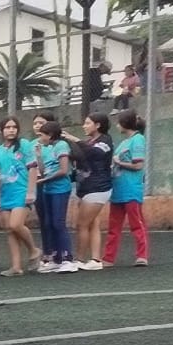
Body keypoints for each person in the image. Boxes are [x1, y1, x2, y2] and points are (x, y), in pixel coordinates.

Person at [0, 116, 43, 277]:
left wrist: (31, 191)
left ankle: (33, 250)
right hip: (6, 194)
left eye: (14, 127)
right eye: (8, 127)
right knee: (9, 229)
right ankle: (16, 266)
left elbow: (32, 168)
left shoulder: (24, 145)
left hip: (21, 191)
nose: (11, 130)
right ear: (1, 130)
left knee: (16, 224)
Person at [67, 112, 114, 270]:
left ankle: (79, 260)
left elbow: (96, 153)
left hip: (98, 188)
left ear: (98, 125)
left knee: (82, 224)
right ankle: (95, 259)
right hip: (85, 188)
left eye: (88, 123)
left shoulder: (105, 140)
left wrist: (75, 140)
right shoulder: (89, 142)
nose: (84, 126)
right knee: (93, 224)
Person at [104, 109, 150, 267]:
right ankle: (108, 258)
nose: (117, 125)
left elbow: (138, 165)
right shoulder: (124, 143)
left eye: (119, 122)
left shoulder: (138, 139)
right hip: (118, 190)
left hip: (131, 190)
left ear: (125, 123)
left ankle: (142, 255)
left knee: (136, 224)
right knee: (113, 227)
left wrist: (119, 162)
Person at [34, 120, 80, 273]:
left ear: (50, 135)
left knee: (58, 223)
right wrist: (39, 156)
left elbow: (63, 170)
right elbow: (43, 171)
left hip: (60, 190)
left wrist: (44, 180)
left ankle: (68, 258)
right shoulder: (49, 148)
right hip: (48, 190)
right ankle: (56, 258)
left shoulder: (61, 146)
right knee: (49, 223)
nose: (40, 138)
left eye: (42, 135)